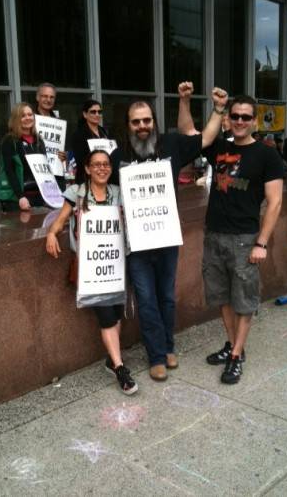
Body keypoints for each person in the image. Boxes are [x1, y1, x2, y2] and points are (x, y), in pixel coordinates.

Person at [112, 85, 228, 381]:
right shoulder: (118, 155)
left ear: (154, 121)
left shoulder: (171, 145)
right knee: (147, 299)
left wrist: (218, 109)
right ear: (128, 125)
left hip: (166, 238)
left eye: (147, 120)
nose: (142, 126)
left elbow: (206, 138)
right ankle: (156, 356)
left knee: (166, 296)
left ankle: (168, 346)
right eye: (136, 122)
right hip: (136, 243)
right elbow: (101, 186)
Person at [178, 86, 283, 385]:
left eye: (245, 117)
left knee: (244, 300)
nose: (239, 121)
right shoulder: (218, 147)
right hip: (215, 235)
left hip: (244, 239)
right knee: (222, 297)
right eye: (234, 116)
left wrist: (261, 242)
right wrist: (186, 100)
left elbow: (275, 202)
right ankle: (233, 345)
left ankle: (236, 356)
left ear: (254, 121)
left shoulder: (266, 154)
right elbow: (188, 131)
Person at [46, 149, 138, 395]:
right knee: (106, 315)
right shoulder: (77, 193)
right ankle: (120, 368)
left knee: (117, 312)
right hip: (91, 267)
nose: (101, 168)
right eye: (96, 164)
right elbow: (62, 219)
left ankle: (111, 358)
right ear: (87, 169)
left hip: (116, 263)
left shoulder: (118, 192)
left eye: (106, 164)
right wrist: (52, 233)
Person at [0, 103, 46, 211]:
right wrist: (20, 197)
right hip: (18, 199)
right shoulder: (10, 141)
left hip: (39, 197)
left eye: (30, 114)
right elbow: (9, 171)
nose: (27, 118)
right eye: (23, 115)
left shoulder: (39, 140)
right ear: (16, 119)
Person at [71, 99, 110, 184]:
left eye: (99, 112)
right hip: (86, 180)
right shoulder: (79, 134)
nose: (97, 114)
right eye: (93, 112)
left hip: (105, 177)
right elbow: (80, 161)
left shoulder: (104, 132)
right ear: (85, 114)